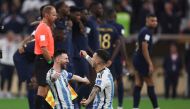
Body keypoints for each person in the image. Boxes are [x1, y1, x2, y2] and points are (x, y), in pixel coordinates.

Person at [133, 14, 159, 109]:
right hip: (141, 60)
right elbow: (144, 48)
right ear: (147, 21)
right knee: (150, 82)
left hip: (137, 59)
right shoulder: (146, 32)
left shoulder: (145, 31)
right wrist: (150, 63)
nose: (154, 22)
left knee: (138, 83)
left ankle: (135, 107)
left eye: (155, 21)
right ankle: (156, 107)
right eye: (152, 20)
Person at [34, 5, 57, 109]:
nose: (55, 17)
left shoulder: (46, 27)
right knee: (43, 89)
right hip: (44, 61)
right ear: (46, 15)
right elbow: (43, 48)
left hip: (44, 60)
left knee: (48, 89)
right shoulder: (43, 28)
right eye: (53, 14)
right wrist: (50, 62)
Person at [106, 9, 128, 109]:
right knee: (119, 80)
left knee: (103, 81)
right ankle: (120, 105)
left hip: (104, 58)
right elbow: (122, 42)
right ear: (115, 16)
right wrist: (125, 58)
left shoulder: (103, 26)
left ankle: (105, 104)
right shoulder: (120, 27)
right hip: (117, 58)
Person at [0, 31, 18, 98]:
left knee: (10, 78)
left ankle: (8, 92)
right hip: (3, 62)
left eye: (12, 36)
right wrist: (1, 59)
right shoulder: (2, 42)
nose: (11, 37)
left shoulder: (15, 43)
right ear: (7, 36)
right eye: (9, 36)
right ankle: (1, 91)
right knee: (3, 77)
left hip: (11, 63)